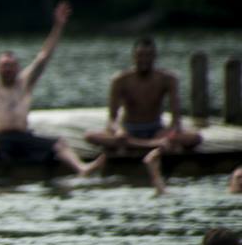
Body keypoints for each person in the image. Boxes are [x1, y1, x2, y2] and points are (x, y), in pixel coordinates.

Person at [0, 0, 104, 179]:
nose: (8, 69)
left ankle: (81, 168)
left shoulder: (24, 83)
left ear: (18, 68)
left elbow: (44, 56)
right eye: (4, 66)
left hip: (24, 137)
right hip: (0, 139)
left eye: (11, 65)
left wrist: (58, 26)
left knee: (59, 143)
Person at [86, 37, 202, 195]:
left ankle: (146, 144)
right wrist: (119, 130)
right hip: (129, 131)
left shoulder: (167, 79)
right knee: (90, 136)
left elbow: (176, 120)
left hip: (155, 129)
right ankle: (152, 145)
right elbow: (112, 119)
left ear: (154, 57)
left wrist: (169, 132)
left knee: (195, 138)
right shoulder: (120, 80)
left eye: (148, 55)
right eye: (140, 55)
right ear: (133, 57)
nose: (144, 60)